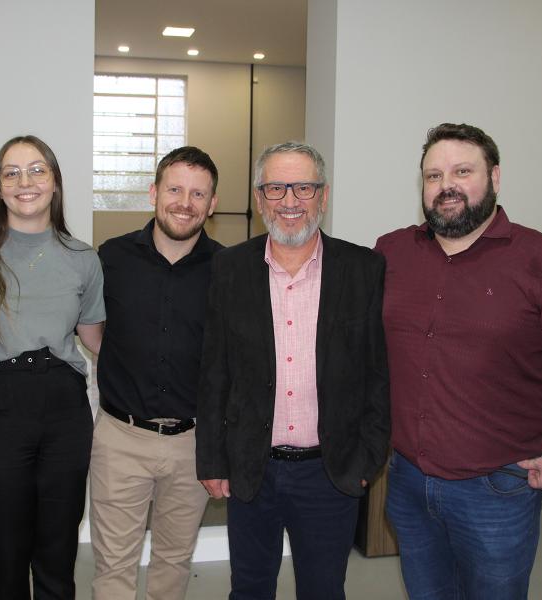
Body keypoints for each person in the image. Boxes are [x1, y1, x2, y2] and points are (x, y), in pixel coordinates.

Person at [375, 122, 542, 600]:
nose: (447, 186)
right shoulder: (391, 253)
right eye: (433, 175)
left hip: (497, 488)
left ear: (495, 178)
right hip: (406, 479)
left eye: (463, 171)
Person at [196, 141, 390, 600]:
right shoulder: (230, 268)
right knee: (249, 590)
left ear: (323, 196)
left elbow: (377, 374)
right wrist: (212, 459)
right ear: (260, 198)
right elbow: (214, 374)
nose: (289, 202)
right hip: (251, 469)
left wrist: (368, 460)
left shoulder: (363, 268)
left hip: (330, 472)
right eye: (276, 188)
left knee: (324, 591)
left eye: (303, 188)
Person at [0, 135, 105, 599]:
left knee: (58, 553)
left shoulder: (84, 259)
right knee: (4, 555)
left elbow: (95, 341)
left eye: (37, 169)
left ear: (55, 182)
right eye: (12, 172)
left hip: (64, 409)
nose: (26, 181)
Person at [90, 146, 223, 600]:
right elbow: (93, 332)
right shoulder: (110, 258)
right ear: (154, 192)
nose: (184, 202)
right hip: (120, 440)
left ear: (212, 204)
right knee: (113, 568)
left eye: (197, 193)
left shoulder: (229, 269)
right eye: (175, 189)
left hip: (192, 444)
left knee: (173, 564)